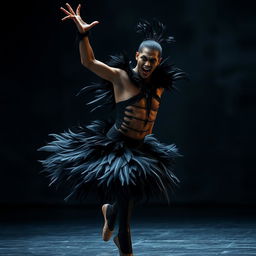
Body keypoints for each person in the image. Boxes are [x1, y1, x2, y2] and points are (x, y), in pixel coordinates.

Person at [38, 3, 187, 256]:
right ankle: (124, 245)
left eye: (153, 60)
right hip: (117, 150)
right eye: (144, 58)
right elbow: (89, 62)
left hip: (141, 150)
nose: (148, 64)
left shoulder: (160, 86)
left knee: (126, 199)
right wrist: (83, 34)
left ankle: (109, 212)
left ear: (158, 61)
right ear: (137, 56)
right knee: (127, 215)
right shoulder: (121, 78)